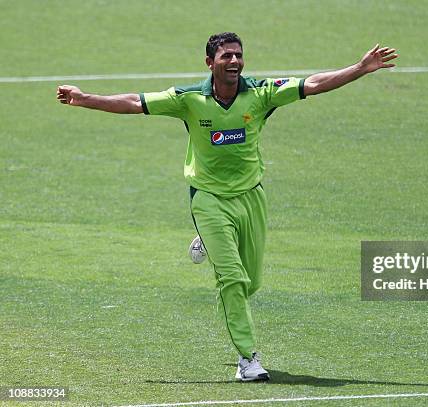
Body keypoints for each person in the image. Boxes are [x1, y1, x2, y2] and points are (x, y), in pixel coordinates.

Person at [57, 32, 398, 381]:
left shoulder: (262, 94)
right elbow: (134, 102)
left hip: (251, 196)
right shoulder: (189, 99)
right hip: (207, 199)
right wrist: (85, 99)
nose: (234, 62)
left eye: (238, 55)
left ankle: (210, 243)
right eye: (226, 57)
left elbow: (312, 83)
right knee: (232, 281)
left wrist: (360, 68)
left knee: (250, 284)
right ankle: (248, 360)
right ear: (210, 63)